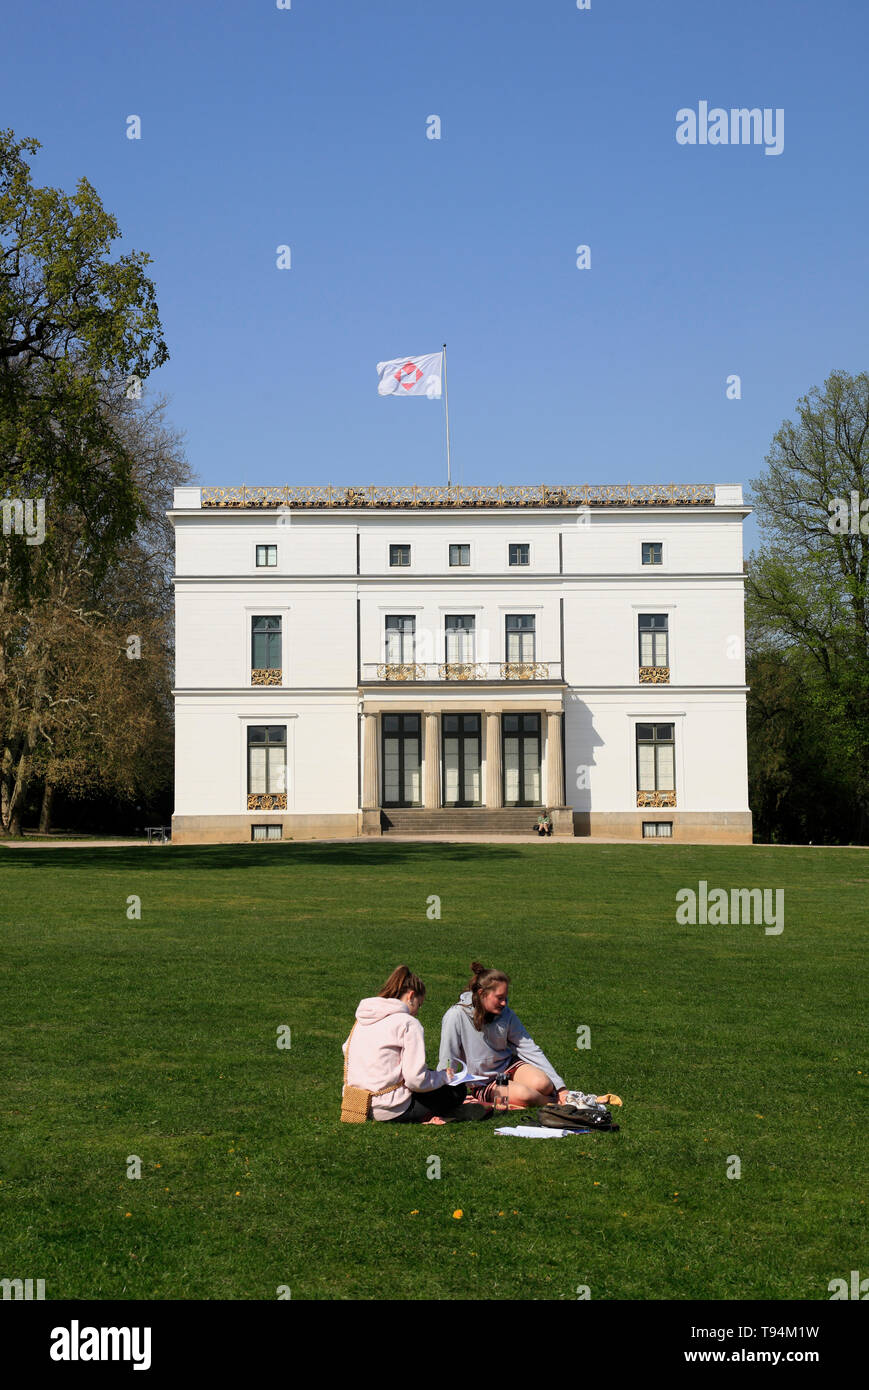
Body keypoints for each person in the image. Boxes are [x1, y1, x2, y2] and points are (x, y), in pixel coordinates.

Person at [342, 965, 487, 1123]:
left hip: (358, 1104)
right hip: (391, 1108)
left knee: (432, 1078)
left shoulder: (362, 1020)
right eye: (419, 1005)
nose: (417, 1011)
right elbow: (415, 1080)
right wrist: (444, 1077)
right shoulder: (408, 1023)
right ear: (411, 996)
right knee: (456, 1091)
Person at [438, 962, 569, 1109]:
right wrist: (443, 1091)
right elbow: (448, 1058)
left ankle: (554, 1096)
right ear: (482, 994)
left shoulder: (506, 1014)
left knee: (544, 1084)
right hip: (484, 1082)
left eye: (506, 998)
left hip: (508, 1066)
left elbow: (529, 1048)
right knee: (525, 1096)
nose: (504, 1003)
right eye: (499, 998)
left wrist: (561, 1087)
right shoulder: (455, 1015)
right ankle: (556, 1103)